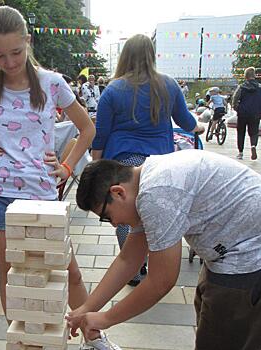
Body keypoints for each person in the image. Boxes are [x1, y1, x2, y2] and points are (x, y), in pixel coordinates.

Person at [0, 6, 120, 349]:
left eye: (16, 52)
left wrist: (65, 167)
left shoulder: (52, 83)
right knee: (12, 275)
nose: (8, 62)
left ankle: (93, 335)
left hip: (42, 194)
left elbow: (87, 128)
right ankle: (23, 341)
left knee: (69, 271)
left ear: (28, 42)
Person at [67, 150, 261, 350]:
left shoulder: (155, 195)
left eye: (107, 216)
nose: (114, 224)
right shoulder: (146, 182)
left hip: (255, 255)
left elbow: (161, 281)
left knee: (222, 338)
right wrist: (86, 309)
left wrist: (105, 319)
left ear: (118, 192)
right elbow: (128, 259)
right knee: (211, 328)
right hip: (234, 249)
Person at [92, 34, 204, 286]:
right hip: (159, 161)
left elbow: (101, 132)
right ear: (151, 56)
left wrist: (95, 162)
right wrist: (199, 128)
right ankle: (158, 265)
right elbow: (187, 122)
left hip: (122, 161)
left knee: (124, 213)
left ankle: (133, 269)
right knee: (157, 212)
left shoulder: (113, 89)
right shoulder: (168, 85)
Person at [232, 67, 261, 160]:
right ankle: (253, 146)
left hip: (243, 113)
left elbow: (235, 99)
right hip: (255, 113)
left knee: (241, 132)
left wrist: (236, 108)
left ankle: (240, 152)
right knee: (254, 132)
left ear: (245, 76)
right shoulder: (260, 87)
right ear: (254, 75)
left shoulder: (241, 87)